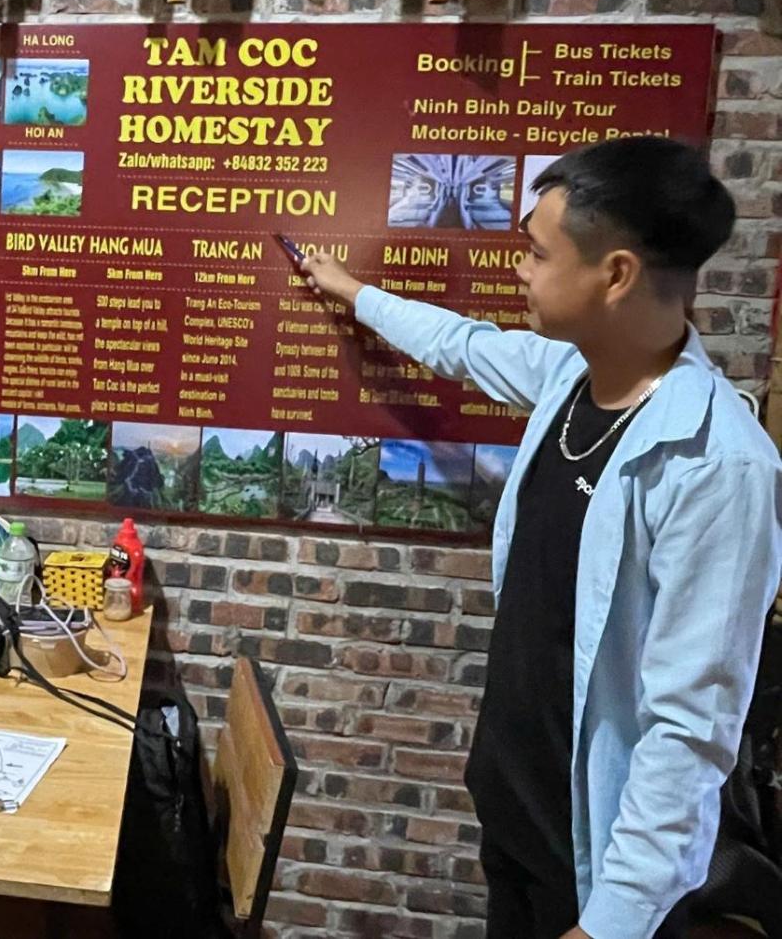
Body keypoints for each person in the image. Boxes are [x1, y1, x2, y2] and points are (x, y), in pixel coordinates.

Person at [302, 136, 782, 939]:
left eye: (536, 252)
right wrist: (351, 290)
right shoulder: (570, 376)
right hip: (516, 814)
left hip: (597, 864)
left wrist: (615, 920)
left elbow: (692, 729)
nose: (519, 270)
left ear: (615, 274)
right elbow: (461, 344)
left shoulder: (718, 466)